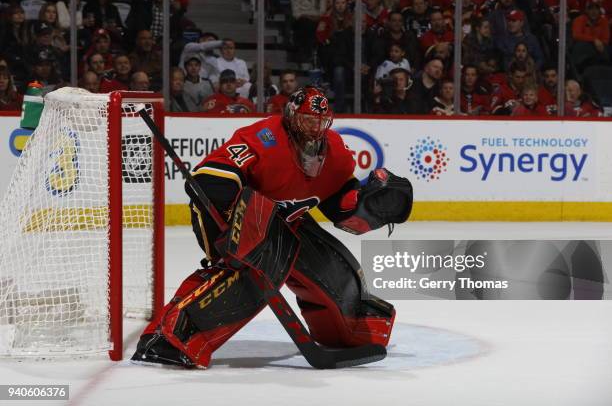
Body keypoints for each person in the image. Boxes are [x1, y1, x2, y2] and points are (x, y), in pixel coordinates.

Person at [131, 86, 410, 369]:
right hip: (227, 216)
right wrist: (237, 226)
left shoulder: (336, 152)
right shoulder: (263, 138)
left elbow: (337, 204)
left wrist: (368, 205)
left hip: (284, 221)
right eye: (307, 120)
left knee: (328, 264)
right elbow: (210, 180)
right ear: (290, 115)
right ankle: (167, 338)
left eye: (319, 122)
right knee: (262, 263)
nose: (313, 129)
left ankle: (351, 330)